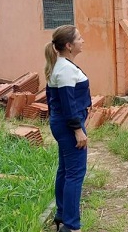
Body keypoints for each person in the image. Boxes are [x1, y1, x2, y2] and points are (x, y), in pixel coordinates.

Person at [44, 25, 91, 232]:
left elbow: (55, 101)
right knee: (75, 174)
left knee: (65, 170)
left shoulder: (60, 66)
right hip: (68, 126)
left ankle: (62, 215)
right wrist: (77, 129)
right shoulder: (64, 70)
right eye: (79, 38)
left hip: (62, 124)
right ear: (69, 45)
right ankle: (71, 226)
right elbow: (67, 103)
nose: (83, 41)